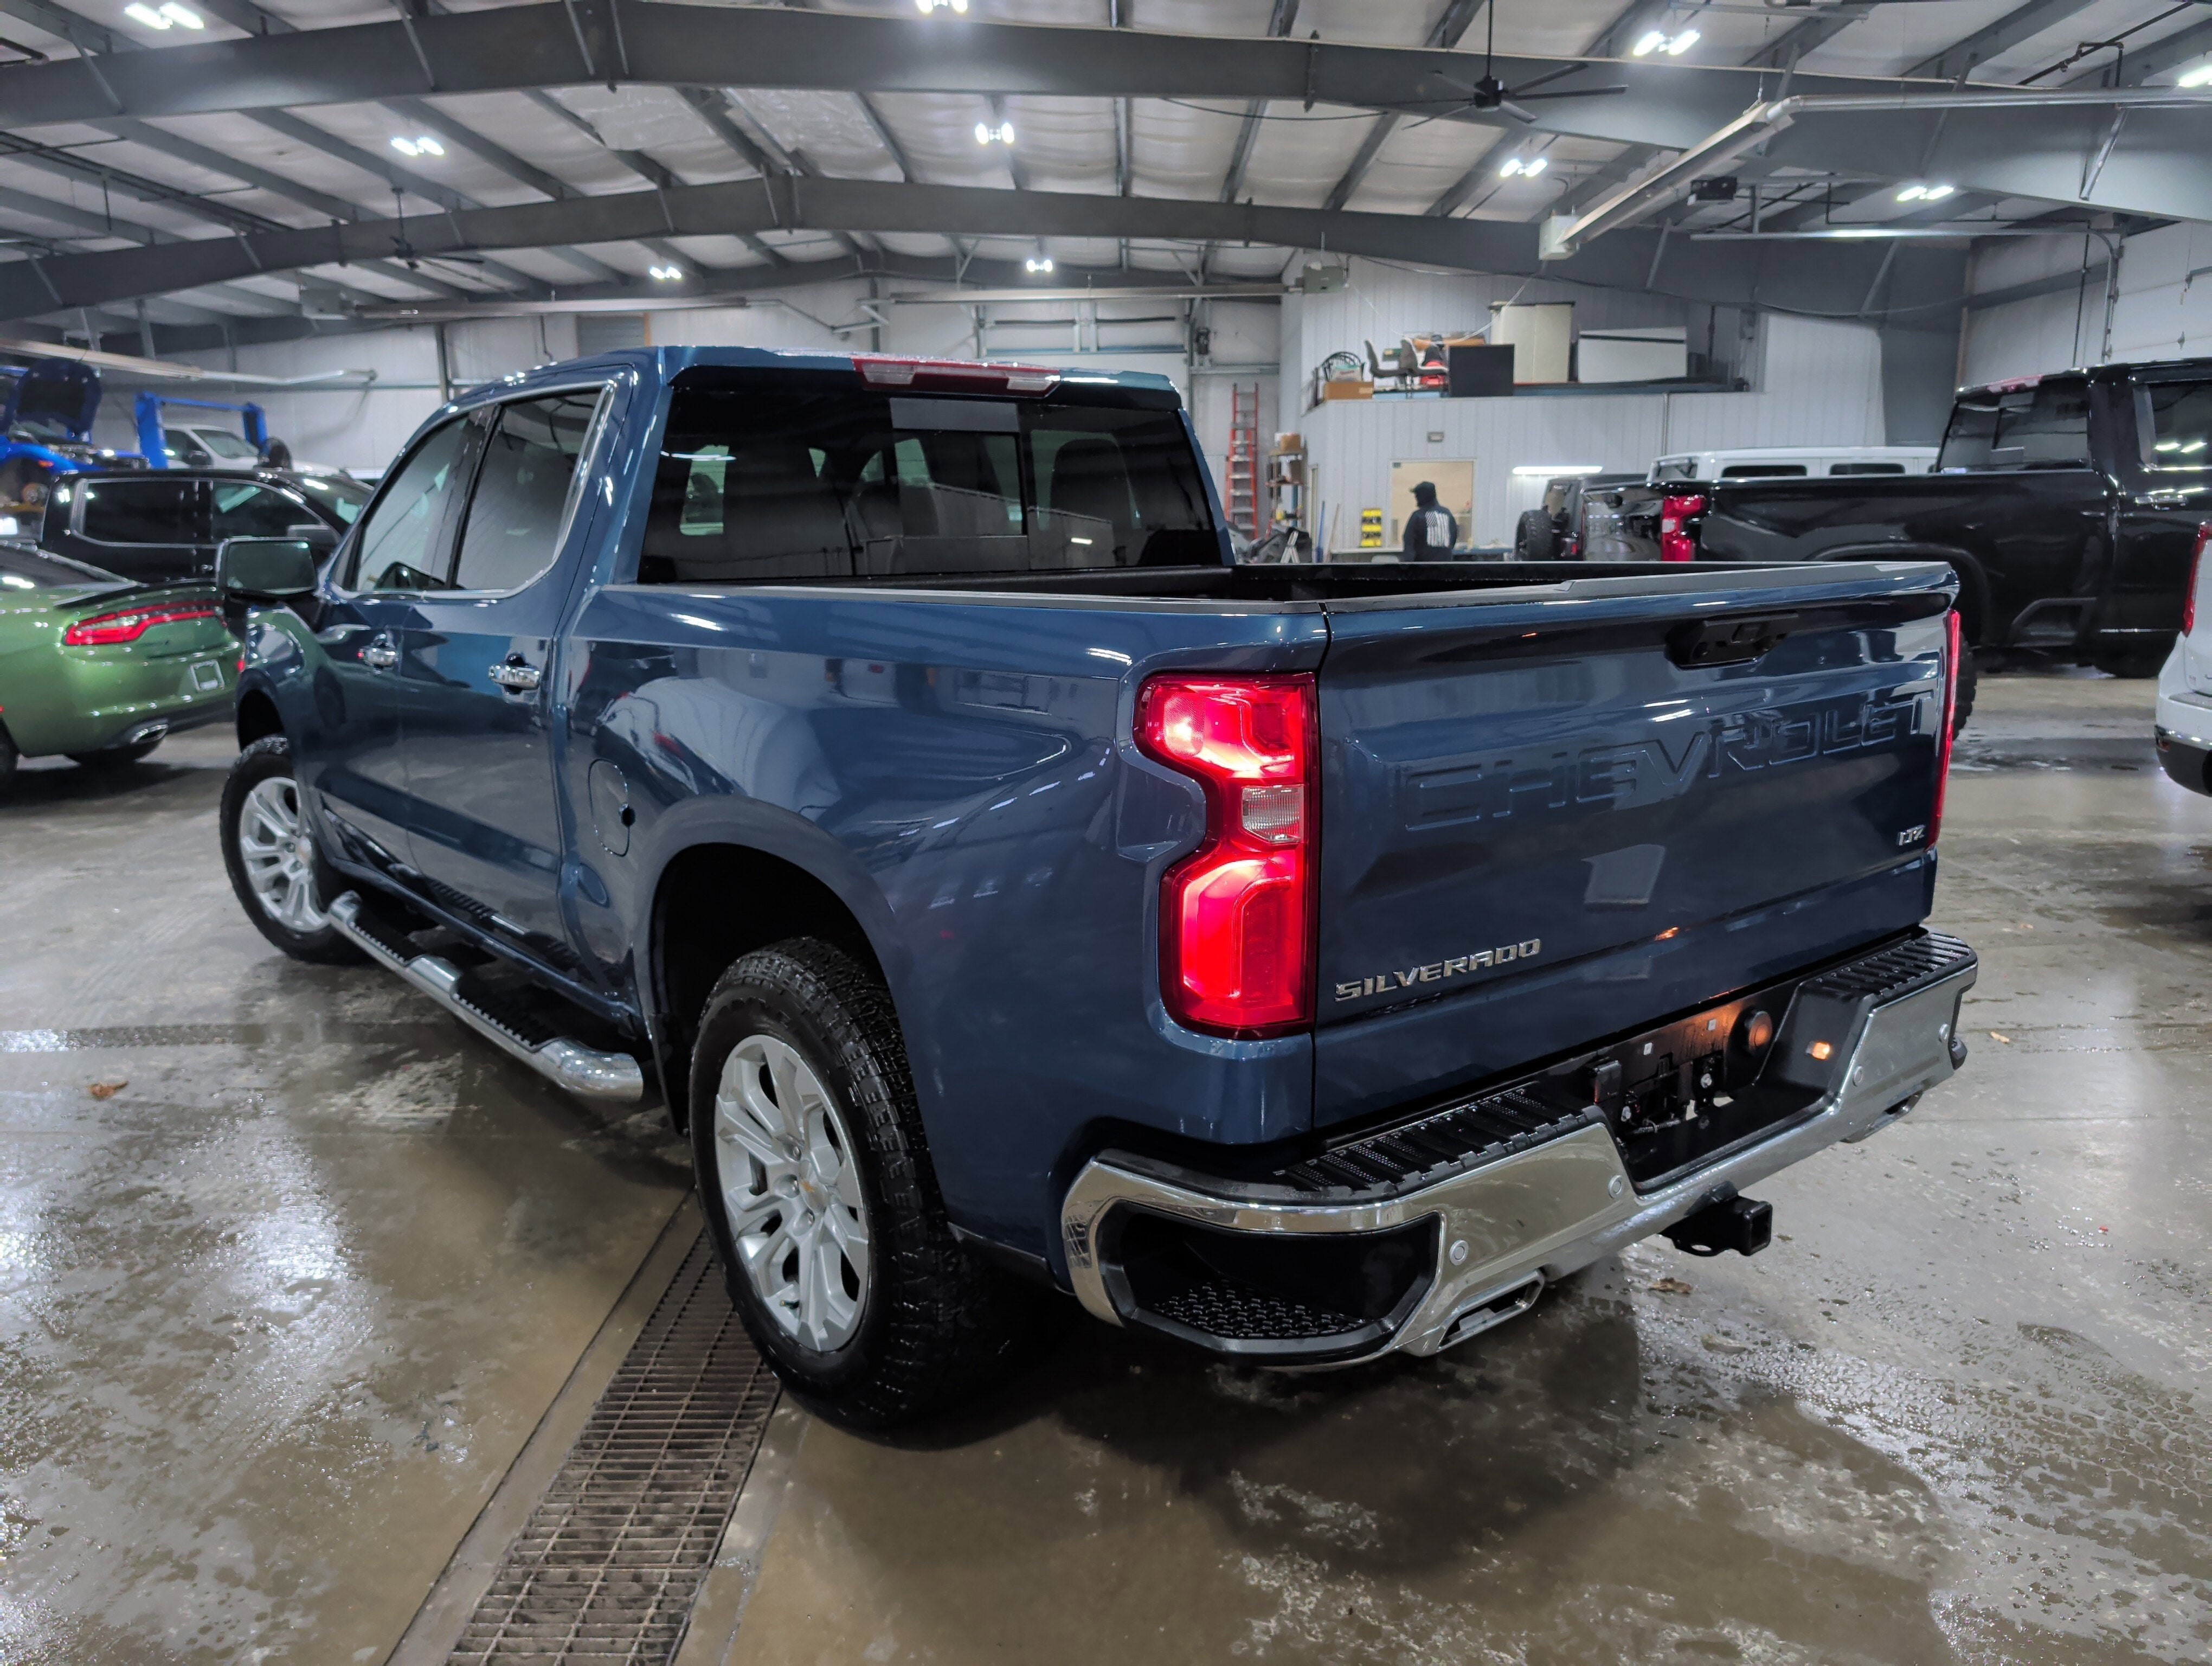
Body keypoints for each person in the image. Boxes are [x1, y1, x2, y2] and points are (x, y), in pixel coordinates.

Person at [1402, 480, 1458, 561]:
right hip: (1446, 568)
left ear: (1422, 497)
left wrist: (1408, 567)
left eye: (1417, 495)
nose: (1416, 498)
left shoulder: (1418, 516)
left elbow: (1409, 542)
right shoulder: (1447, 514)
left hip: (1423, 569)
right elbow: (1453, 537)